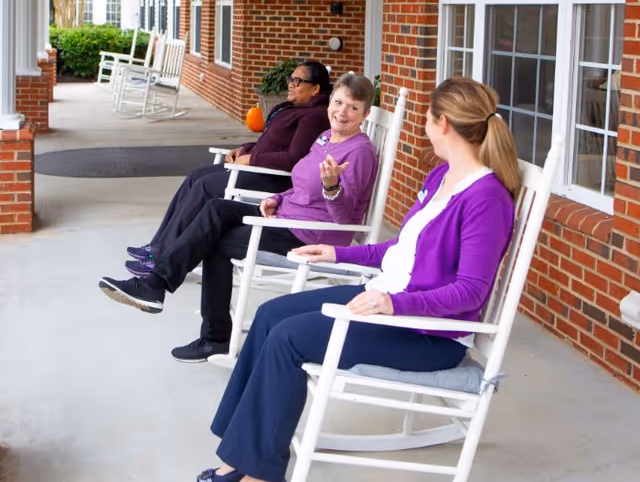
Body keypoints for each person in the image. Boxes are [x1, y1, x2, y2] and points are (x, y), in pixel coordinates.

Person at [198, 77, 521, 482]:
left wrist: (393, 304)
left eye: (426, 117)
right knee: (270, 315)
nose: (423, 125)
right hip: (387, 299)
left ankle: (259, 473)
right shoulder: (442, 177)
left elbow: (470, 290)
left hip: (426, 334)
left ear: (443, 124)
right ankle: (241, 452)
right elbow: (403, 250)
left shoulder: (486, 199)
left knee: (290, 337)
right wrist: (338, 252)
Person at [99, 74, 379, 362]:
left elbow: (345, 218)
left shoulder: (359, 152)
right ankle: (157, 285)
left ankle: (211, 334)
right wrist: (277, 198)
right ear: (329, 101)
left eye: (353, 107)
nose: (342, 112)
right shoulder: (325, 137)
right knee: (217, 208)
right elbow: (299, 184)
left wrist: (331, 185)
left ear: (365, 114)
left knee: (216, 243)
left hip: (311, 234)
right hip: (286, 215)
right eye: (338, 102)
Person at [124, 61, 333, 275]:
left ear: (315, 88)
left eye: (298, 81)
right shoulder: (299, 109)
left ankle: (160, 258)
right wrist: (244, 149)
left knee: (205, 186)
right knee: (197, 176)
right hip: (259, 170)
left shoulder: (314, 117)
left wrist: (251, 159)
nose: (291, 84)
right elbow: (273, 142)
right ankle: (157, 246)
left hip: (274, 180)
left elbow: (294, 158)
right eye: (291, 79)